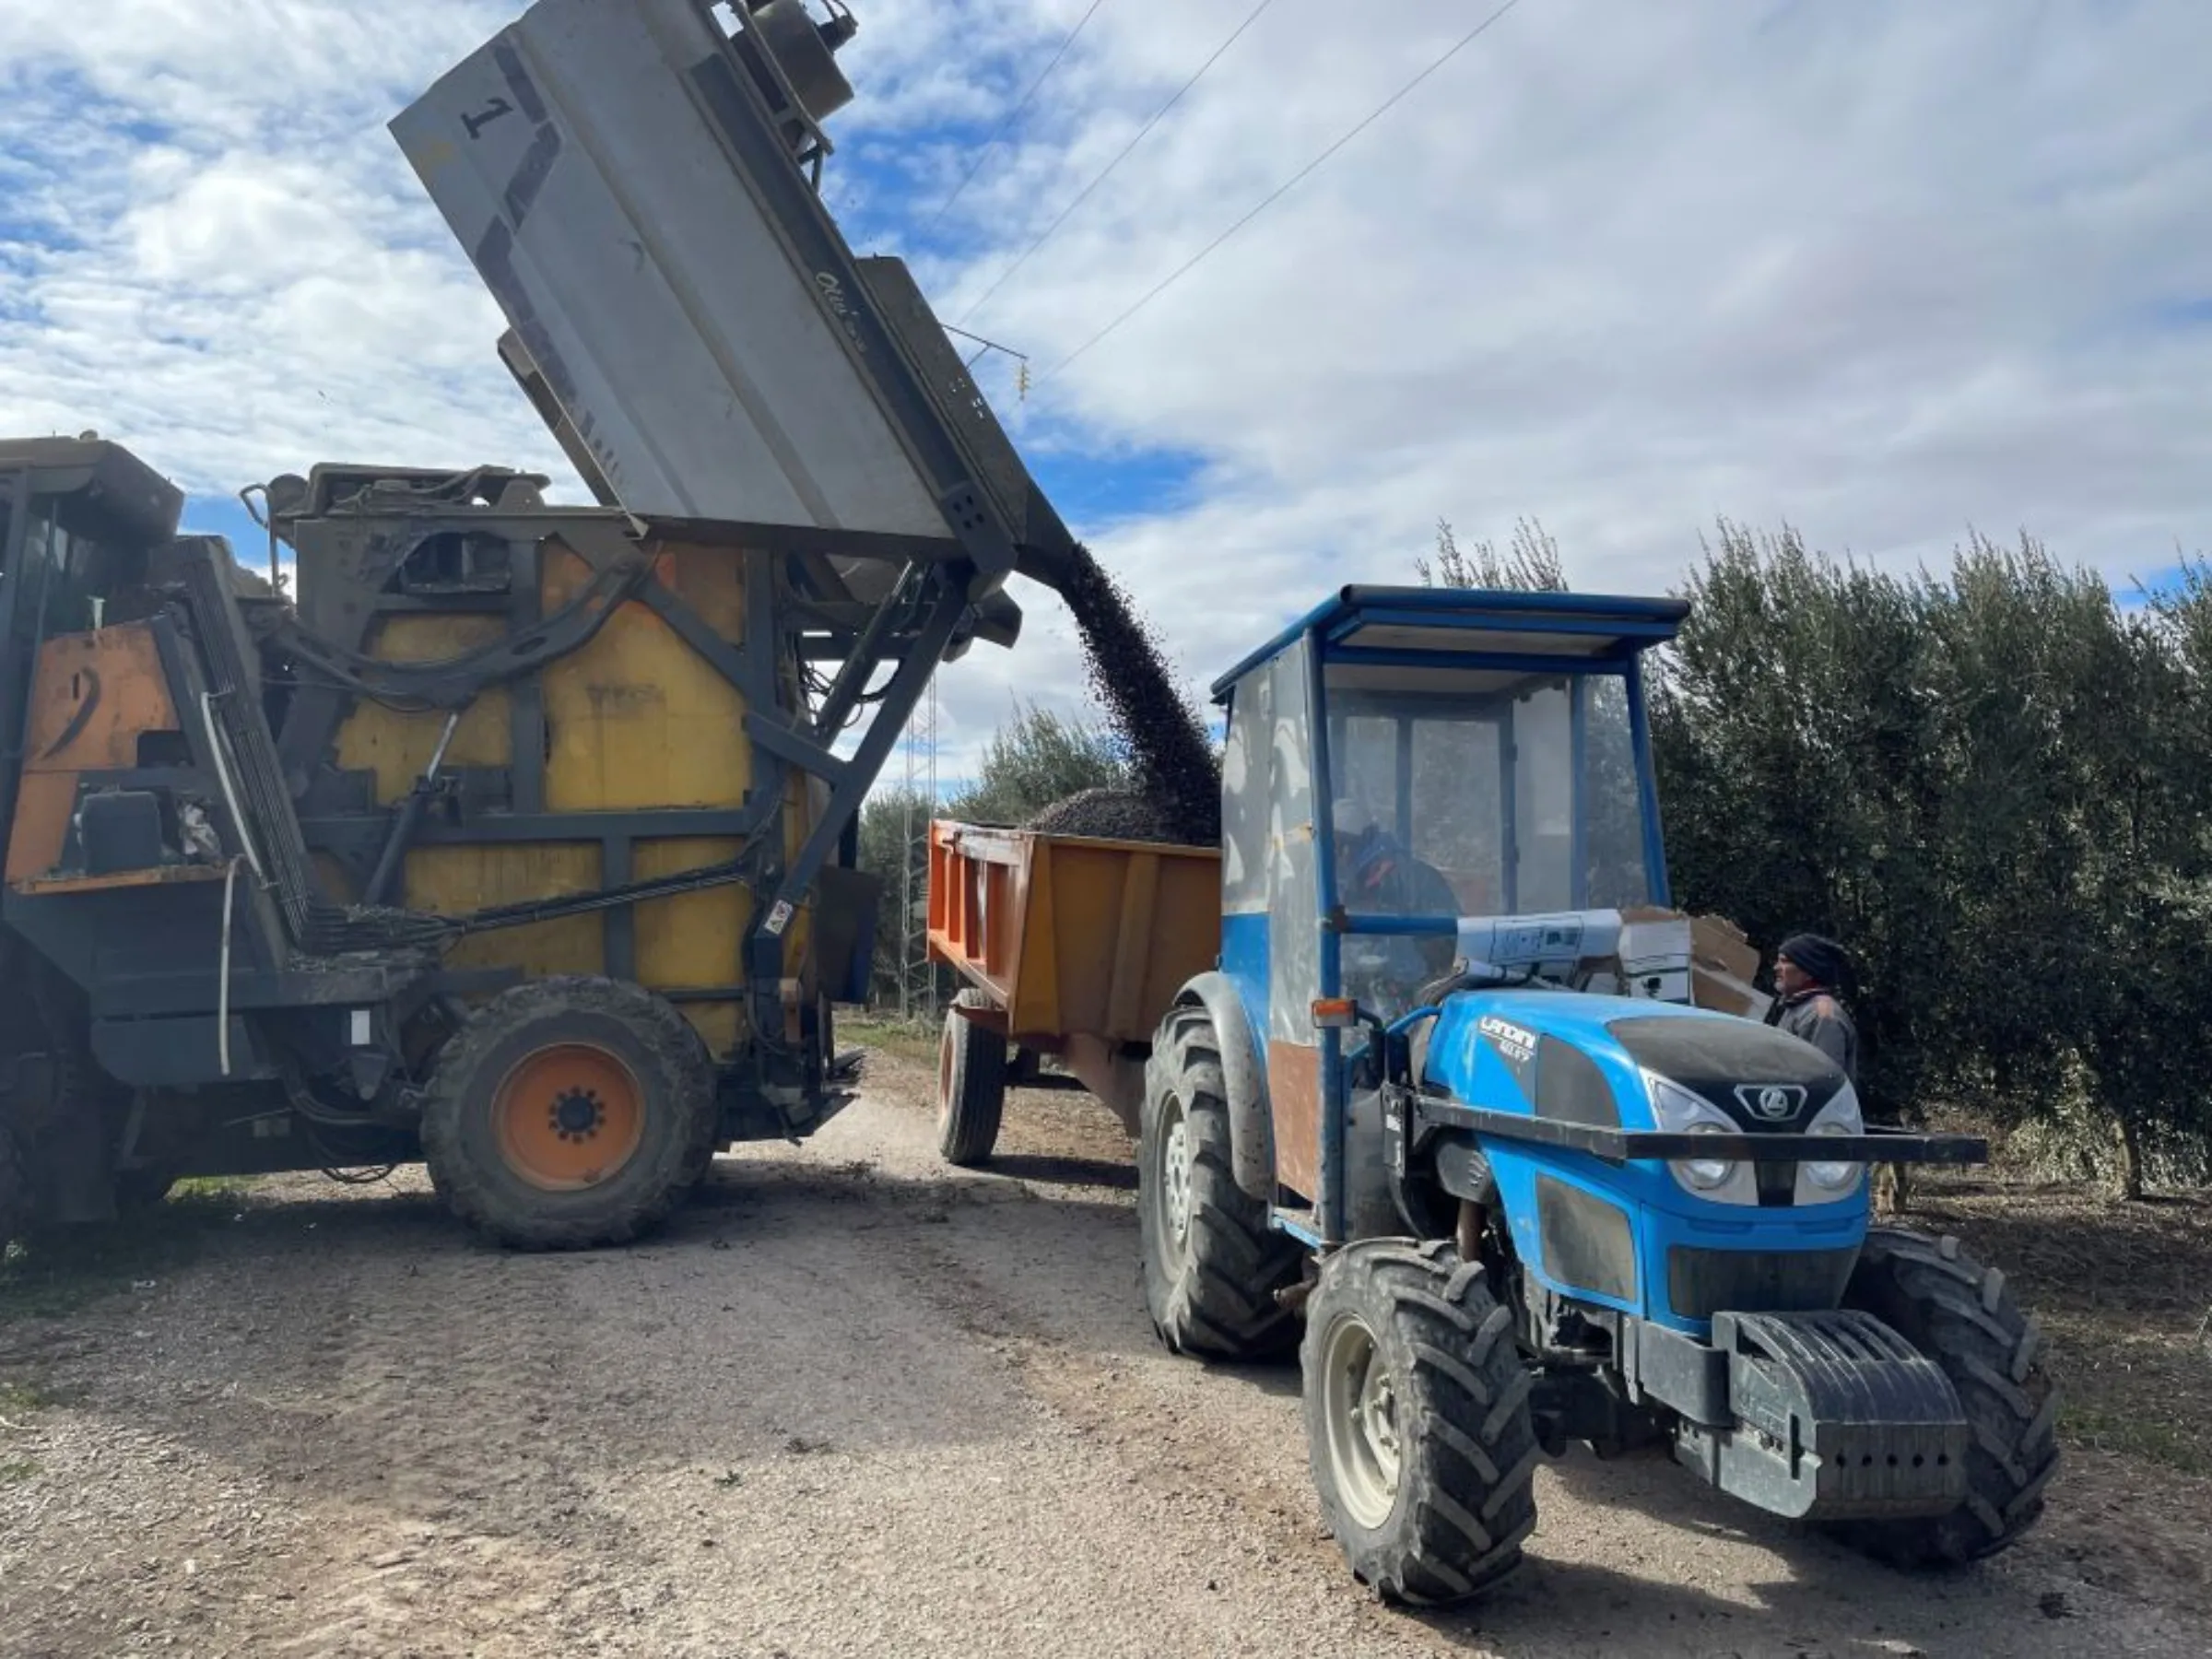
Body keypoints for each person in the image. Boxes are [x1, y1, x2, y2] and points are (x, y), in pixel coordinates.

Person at [1765, 932, 1859, 1079]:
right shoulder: (1797, 1008)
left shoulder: (1823, 1016)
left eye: (1785, 961)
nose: (1776, 967)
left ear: (1808, 971)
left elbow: (1823, 1080)